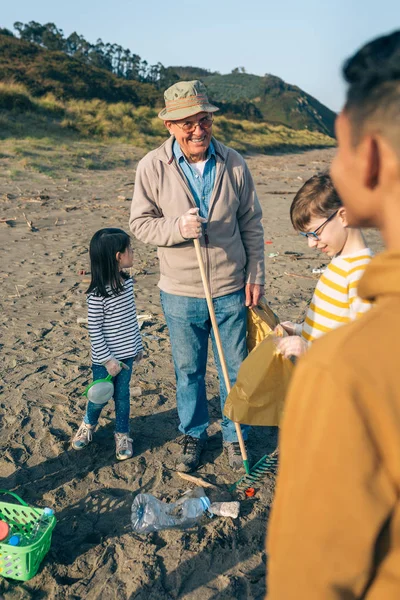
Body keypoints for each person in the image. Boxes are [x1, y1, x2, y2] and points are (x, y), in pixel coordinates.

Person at [267, 30, 400, 599]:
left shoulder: (349, 374)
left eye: (336, 147)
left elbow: (312, 581)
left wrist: (310, 351)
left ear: (368, 157)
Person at [129, 80, 264, 472]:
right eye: (187, 123)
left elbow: (252, 223)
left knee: (234, 369)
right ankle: (193, 432)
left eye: (203, 120)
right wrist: (176, 228)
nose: (198, 130)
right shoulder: (152, 166)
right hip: (180, 291)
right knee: (188, 370)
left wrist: (255, 274)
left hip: (230, 288)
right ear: (169, 126)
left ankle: (233, 434)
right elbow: (140, 223)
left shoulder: (234, 162)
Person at [276, 173, 373, 359]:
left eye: (315, 233)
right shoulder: (340, 263)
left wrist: (308, 349)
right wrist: (299, 330)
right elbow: (331, 325)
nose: (311, 244)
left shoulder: (363, 274)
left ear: (343, 216)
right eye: (307, 236)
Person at [71, 228, 143, 461]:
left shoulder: (127, 284)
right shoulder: (97, 295)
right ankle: (88, 425)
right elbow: (95, 331)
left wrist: (137, 345)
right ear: (117, 256)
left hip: (127, 355)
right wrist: (108, 360)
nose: (132, 252)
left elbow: (132, 318)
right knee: (99, 395)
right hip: (106, 360)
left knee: (122, 397)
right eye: (128, 249)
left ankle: (122, 434)